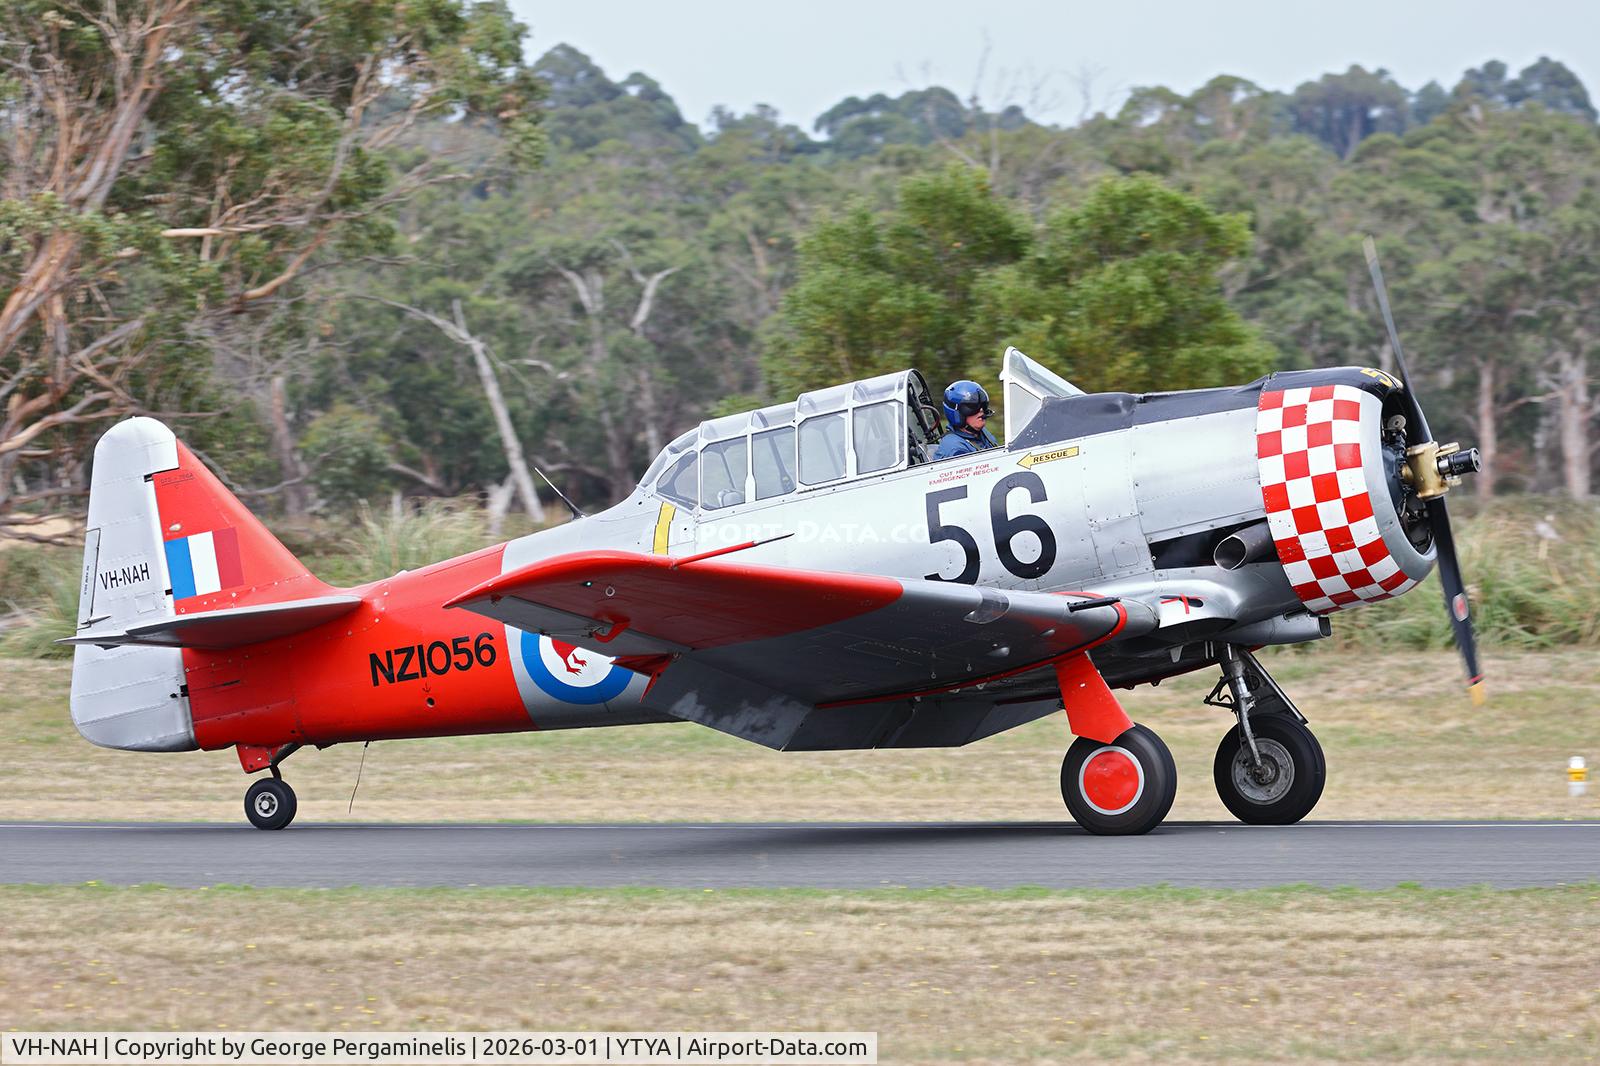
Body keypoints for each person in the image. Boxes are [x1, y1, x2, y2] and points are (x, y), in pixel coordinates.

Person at [934, 380, 998, 459]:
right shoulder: (955, 450)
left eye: (982, 405)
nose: (981, 410)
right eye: (972, 407)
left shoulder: (981, 433)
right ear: (957, 414)